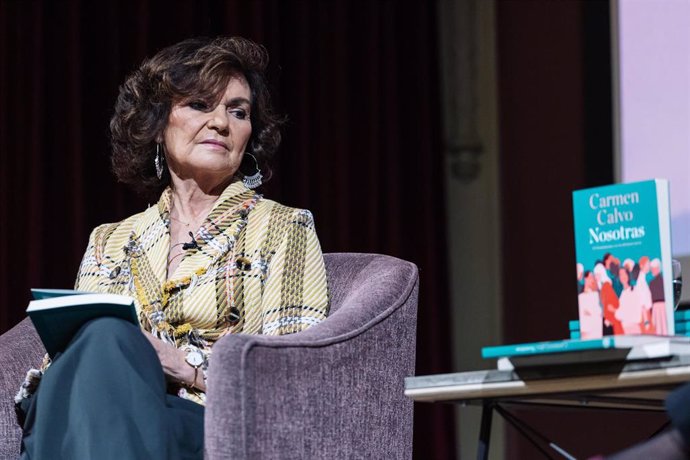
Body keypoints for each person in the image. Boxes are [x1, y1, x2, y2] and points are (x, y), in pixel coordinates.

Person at [14, 36, 330, 459]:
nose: (221, 122)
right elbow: (68, 365)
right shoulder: (109, 241)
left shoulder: (281, 227)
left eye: (238, 111)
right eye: (200, 104)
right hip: (105, 416)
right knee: (99, 340)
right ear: (158, 124)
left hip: (207, 423)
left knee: (105, 339)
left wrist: (182, 368)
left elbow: (292, 380)